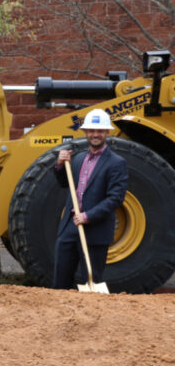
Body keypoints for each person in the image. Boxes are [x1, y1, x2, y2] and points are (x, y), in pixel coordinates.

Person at [52, 109, 128, 289]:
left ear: (107, 132)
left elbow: (115, 199)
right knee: (60, 280)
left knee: (92, 281)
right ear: (86, 132)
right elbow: (65, 184)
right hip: (70, 225)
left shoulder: (116, 163)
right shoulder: (78, 159)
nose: (95, 134)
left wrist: (87, 216)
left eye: (100, 130)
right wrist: (60, 165)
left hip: (95, 228)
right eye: (92, 130)